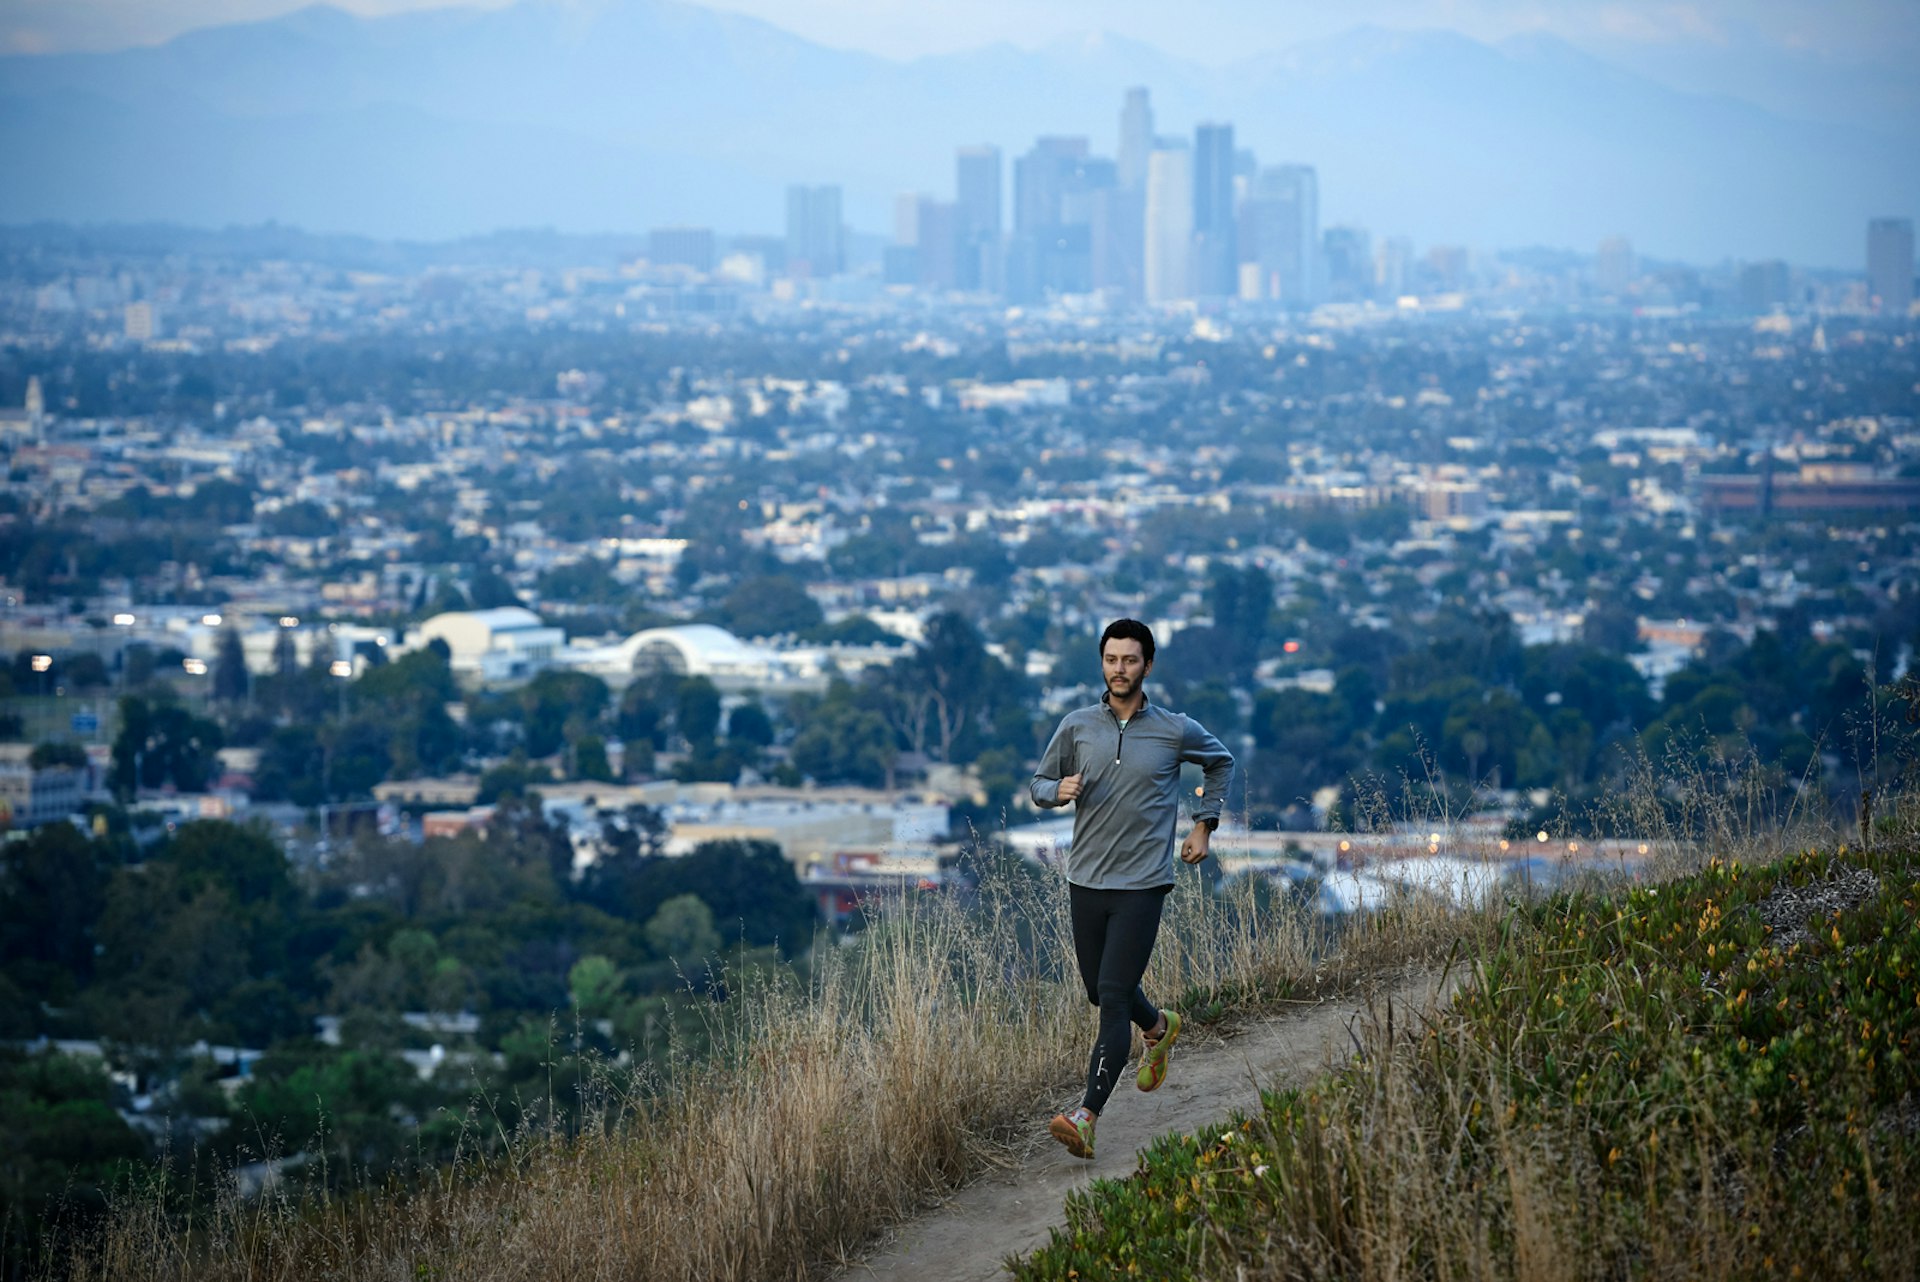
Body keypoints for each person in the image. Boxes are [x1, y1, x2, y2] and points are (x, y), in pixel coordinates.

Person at [1030, 618, 1235, 1160]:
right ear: (1102, 663)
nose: (1120, 669)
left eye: (1130, 660)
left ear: (1148, 665)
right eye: (1111, 659)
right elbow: (1037, 784)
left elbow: (1220, 762)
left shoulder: (1174, 729)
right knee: (1101, 990)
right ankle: (1160, 1027)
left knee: (1113, 997)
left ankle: (1087, 1115)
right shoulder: (1076, 726)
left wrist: (1202, 823)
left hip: (1143, 884)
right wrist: (1058, 790)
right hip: (1086, 879)